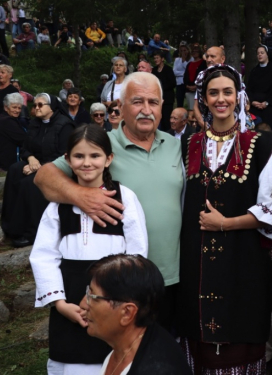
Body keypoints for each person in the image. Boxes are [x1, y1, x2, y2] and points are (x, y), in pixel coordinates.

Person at [34, 72, 184, 331]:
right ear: (120, 106)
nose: (146, 110)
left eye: (154, 102)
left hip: (172, 274)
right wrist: (80, 195)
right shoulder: (101, 145)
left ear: (162, 107)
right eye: (137, 101)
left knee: (164, 351)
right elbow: (43, 176)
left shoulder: (174, 144)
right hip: (121, 281)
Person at [176, 64, 272, 374]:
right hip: (195, 258)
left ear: (239, 97)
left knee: (241, 326)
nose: (221, 99)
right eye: (213, 93)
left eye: (227, 92)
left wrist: (226, 223)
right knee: (197, 333)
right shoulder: (188, 144)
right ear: (204, 100)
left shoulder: (261, 144)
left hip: (244, 258)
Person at [30, 124, 148, 375]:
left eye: (94, 155)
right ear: (68, 160)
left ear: (108, 159)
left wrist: (118, 300)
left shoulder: (125, 198)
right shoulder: (58, 206)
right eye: (79, 156)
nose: (87, 163)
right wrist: (60, 304)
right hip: (70, 300)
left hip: (113, 302)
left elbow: (137, 254)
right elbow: (43, 255)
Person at [78, 254, 191, 375]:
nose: (83, 304)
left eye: (93, 297)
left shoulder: (158, 368)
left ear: (127, 313)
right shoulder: (124, 345)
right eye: (87, 292)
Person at [2, 94, 75, 247]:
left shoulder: (65, 125)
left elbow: (65, 156)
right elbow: (25, 148)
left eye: (40, 105)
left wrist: (40, 167)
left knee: (30, 183)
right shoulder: (35, 123)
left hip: (57, 168)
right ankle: (11, 226)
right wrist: (31, 159)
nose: (36, 108)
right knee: (15, 170)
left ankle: (32, 232)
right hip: (36, 163)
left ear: (52, 107)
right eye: (34, 105)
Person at [247, 45, 272, 125]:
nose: (259, 55)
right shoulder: (254, 71)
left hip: (269, 107)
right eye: (258, 53)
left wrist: (267, 102)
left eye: (262, 53)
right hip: (255, 107)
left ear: (267, 54)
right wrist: (252, 101)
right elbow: (249, 89)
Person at [0, 92, 27, 171]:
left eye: (19, 108)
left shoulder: (5, 118)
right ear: (6, 107)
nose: (17, 110)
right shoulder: (7, 121)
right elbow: (23, 139)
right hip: (6, 163)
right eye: (14, 107)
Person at [152, 51, 176, 131]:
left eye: (157, 58)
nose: (155, 60)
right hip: (157, 98)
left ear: (162, 59)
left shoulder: (168, 69)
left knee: (166, 119)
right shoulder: (154, 70)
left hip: (167, 98)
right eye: (154, 58)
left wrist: (161, 87)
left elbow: (173, 83)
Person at [183, 44, 206, 120]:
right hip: (189, 89)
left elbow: (204, 76)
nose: (195, 53)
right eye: (193, 51)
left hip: (199, 89)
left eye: (196, 51)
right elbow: (185, 76)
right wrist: (187, 86)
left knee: (198, 109)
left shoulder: (203, 63)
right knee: (190, 110)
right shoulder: (189, 64)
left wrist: (196, 86)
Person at [173, 44, 192, 108]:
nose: (183, 52)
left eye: (185, 50)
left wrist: (184, 61)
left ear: (188, 50)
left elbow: (189, 70)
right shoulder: (177, 60)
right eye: (181, 51)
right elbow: (175, 72)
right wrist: (184, 73)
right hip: (179, 83)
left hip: (188, 83)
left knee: (190, 102)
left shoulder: (191, 59)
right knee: (179, 102)